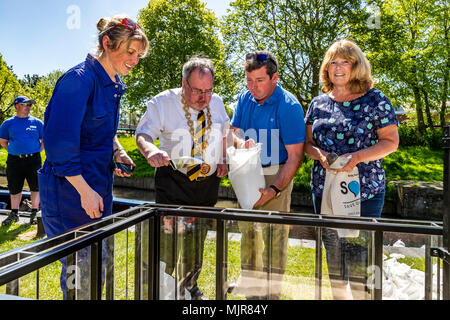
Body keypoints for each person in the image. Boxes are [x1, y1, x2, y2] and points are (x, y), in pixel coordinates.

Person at [38, 15, 149, 298]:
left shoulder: (113, 84)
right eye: (130, 52)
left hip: (97, 188)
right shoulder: (78, 80)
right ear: (107, 44)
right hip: (70, 192)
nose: (135, 60)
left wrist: (118, 151)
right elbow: (59, 143)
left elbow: (103, 132)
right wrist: (84, 190)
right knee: (81, 269)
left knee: (99, 265)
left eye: (139, 54)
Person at [304, 39, 399, 299]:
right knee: (334, 258)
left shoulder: (375, 99)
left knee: (360, 261)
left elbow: (391, 142)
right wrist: (320, 155)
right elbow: (307, 144)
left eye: (345, 61)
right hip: (324, 190)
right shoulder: (318, 103)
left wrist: (356, 157)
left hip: (364, 191)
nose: (338, 67)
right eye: (333, 62)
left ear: (356, 66)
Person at [136, 56, 229, 300]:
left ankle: (189, 287)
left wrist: (223, 158)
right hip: (173, 183)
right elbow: (144, 134)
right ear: (184, 83)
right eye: (197, 90)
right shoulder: (163, 102)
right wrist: (151, 150)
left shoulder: (217, 103)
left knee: (195, 241)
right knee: (167, 245)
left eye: (208, 90)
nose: (204, 97)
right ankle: (164, 291)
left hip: (207, 185)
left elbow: (225, 132)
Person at [229, 50, 306, 300]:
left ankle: (271, 293)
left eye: (259, 81)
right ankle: (251, 286)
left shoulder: (289, 105)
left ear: (275, 78)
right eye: (249, 81)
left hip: (277, 174)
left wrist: (274, 190)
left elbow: (295, 157)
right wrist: (240, 143)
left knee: (275, 236)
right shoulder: (245, 97)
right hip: (247, 170)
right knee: (248, 231)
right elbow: (234, 131)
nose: (253, 87)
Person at [0, 96, 43, 226]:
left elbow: (44, 140)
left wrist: (36, 151)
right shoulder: (7, 123)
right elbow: (3, 141)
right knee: (14, 188)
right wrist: (15, 152)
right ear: (17, 106)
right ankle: (14, 214)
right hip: (14, 161)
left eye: (30, 105)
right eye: (26, 104)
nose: (29, 107)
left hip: (34, 160)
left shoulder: (37, 123)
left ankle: (34, 213)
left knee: (35, 187)